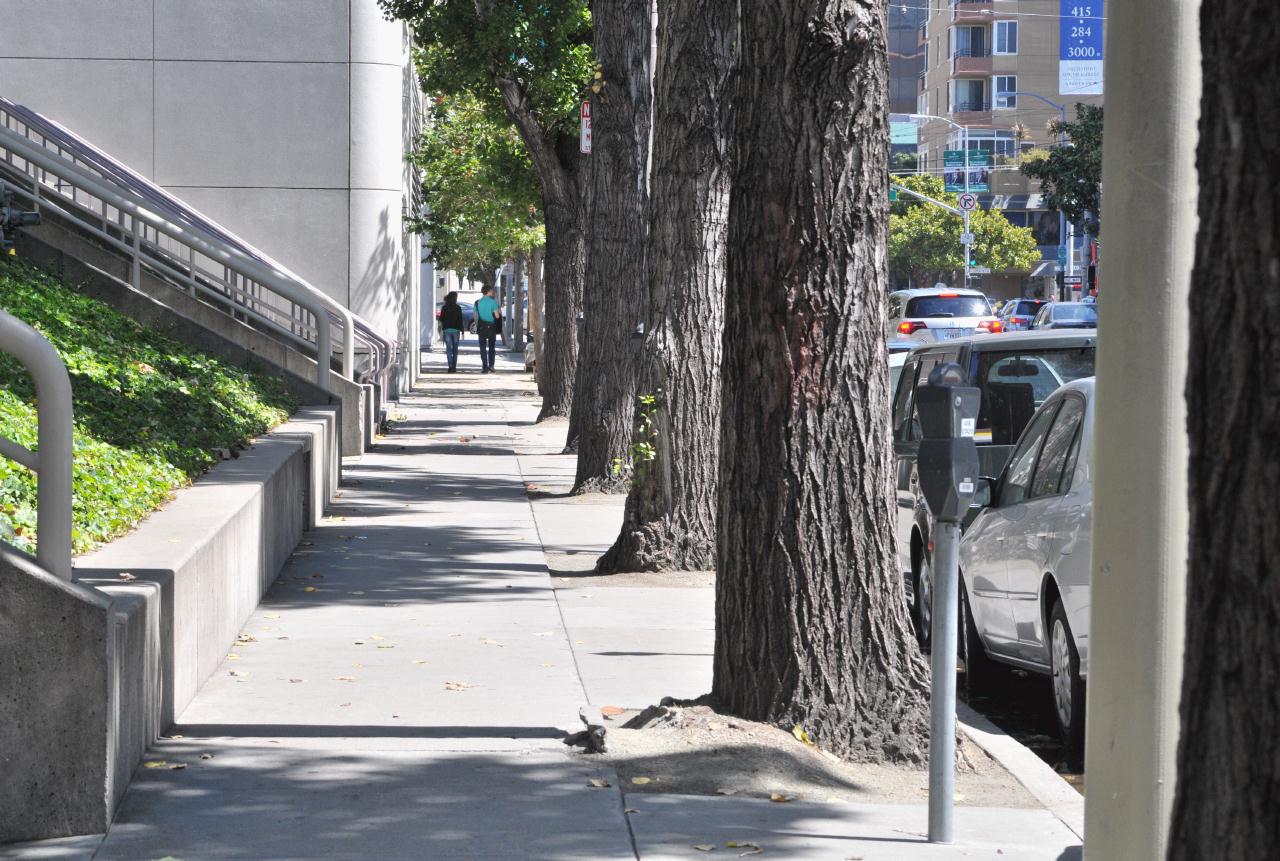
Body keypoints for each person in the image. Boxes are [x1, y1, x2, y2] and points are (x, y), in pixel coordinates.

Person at [474, 285, 503, 373]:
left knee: (482, 348)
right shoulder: (493, 302)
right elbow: (497, 316)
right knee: (491, 347)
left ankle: (484, 367)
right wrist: (498, 312)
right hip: (491, 327)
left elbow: (475, 316)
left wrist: (477, 324)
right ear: (488, 291)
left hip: (481, 326)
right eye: (491, 290)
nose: (492, 292)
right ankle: (491, 366)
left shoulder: (477, 302)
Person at [438, 291, 465, 373]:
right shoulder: (458, 307)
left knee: (449, 349)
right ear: (455, 298)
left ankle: (450, 366)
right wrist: (462, 330)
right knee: (455, 350)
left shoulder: (444, 307)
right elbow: (460, 320)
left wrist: (441, 327)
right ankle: (454, 367)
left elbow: (441, 319)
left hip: (447, 330)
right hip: (456, 330)